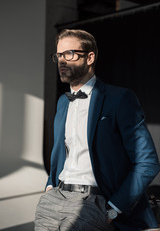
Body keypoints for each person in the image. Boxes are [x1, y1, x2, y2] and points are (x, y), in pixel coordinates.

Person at [35, 29, 160, 231]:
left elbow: (147, 162)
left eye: (69, 54)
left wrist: (113, 210)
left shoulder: (119, 99)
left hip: (94, 203)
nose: (61, 61)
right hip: (53, 200)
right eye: (58, 55)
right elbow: (60, 152)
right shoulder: (62, 103)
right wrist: (50, 186)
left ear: (90, 57)